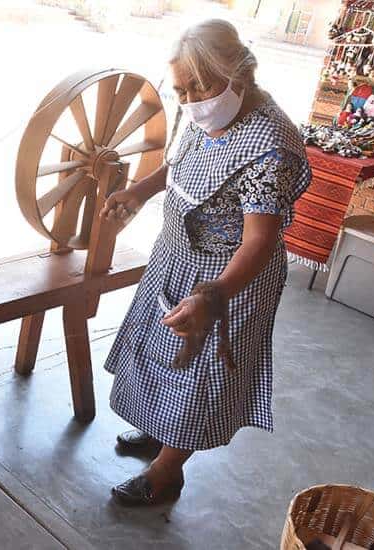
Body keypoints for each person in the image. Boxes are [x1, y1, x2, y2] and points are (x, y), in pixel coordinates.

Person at [100, 19, 311, 506]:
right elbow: (178, 162)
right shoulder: (201, 114)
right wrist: (137, 191)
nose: (192, 99)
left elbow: (259, 240)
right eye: (181, 89)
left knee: (199, 374)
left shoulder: (271, 142)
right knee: (159, 353)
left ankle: (168, 471)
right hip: (176, 258)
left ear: (238, 74)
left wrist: (213, 296)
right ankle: (158, 432)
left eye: (202, 85)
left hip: (228, 277)